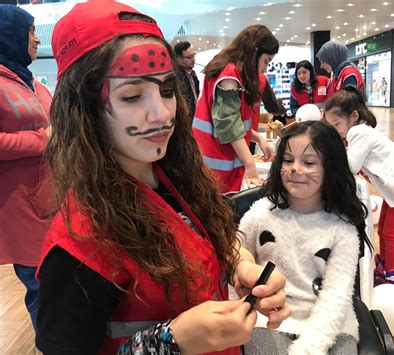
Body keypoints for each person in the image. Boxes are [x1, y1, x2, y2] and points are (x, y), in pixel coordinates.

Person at [35, 2, 290, 354]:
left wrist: (240, 266)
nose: (160, 114)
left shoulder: (176, 177)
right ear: (83, 109)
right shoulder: (79, 244)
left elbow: (204, 239)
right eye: (132, 95)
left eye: (167, 91)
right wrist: (169, 341)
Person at [239, 120, 372, 355]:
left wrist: (309, 349)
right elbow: (236, 261)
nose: (294, 169)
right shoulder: (261, 213)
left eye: (309, 162)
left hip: (331, 323)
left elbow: (336, 295)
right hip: (268, 318)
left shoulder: (342, 229)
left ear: (331, 168)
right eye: (288, 160)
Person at [324, 86, 394, 289]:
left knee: (391, 234)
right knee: (384, 232)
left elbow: (351, 166)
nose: (335, 129)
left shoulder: (359, 132)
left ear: (353, 116)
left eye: (337, 124)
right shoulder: (357, 132)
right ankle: (386, 267)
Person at [0, 4, 52, 332]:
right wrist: (41, 141)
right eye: (30, 31)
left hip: (54, 202)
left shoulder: (33, 82)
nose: (36, 40)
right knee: (43, 291)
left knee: (59, 287)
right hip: (22, 212)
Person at [192, 25, 278, 193]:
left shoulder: (229, 72)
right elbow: (229, 124)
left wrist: (258, 138)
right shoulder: (230, 77)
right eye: (266, 61)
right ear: (254, 52)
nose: (265, 69)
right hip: (216, 165)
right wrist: (249, 163)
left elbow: (231, 122)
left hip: (213, 161)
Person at [174, 41, 200, 120]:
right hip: (185, 119)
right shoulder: (176, 77)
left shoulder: (192, 73)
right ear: (178, 58)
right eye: (189, 57)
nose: (193, 60)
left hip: (195, 116)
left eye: (193, 56)